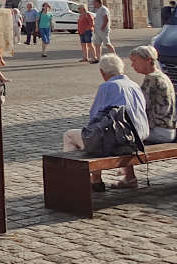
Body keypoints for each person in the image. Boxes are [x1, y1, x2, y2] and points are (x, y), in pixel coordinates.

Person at [62, 53, 149, 191]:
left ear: (102, 72)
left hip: (121, 139)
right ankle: (130, 177)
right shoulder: (134, 85)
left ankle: (91, 179)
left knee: (73, 135)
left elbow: (94, 118)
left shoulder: (108, 87)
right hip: (139, 136)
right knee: (119, 129)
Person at [129, 45, 176, 143]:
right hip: (169, 128)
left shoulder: (152, 79)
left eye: (135, 61)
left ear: (148, 60)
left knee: (120, 136)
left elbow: (140, 107)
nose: (132, 65)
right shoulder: (162, 76)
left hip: (158, 131)